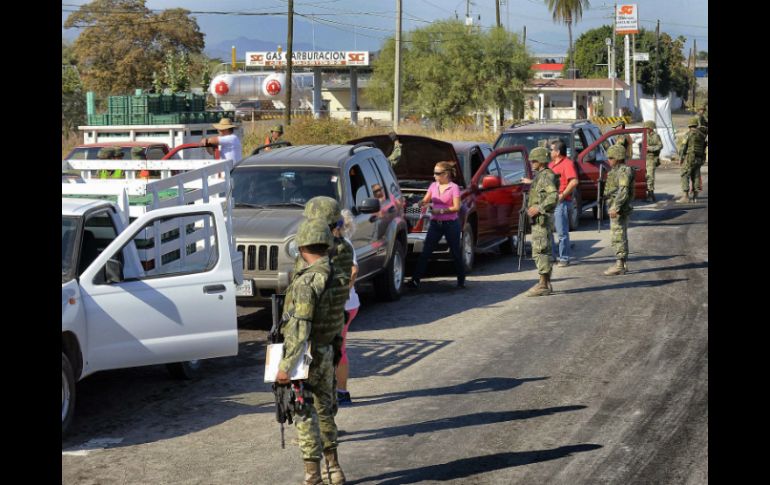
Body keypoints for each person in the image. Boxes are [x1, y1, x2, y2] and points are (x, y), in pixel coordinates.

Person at [278, 217, 346, 485]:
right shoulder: (337, 278)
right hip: (328, 352)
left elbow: (299, 328)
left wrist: (286, 366)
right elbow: (337, 320)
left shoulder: (307, 284)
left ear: (302, 246)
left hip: (306, 358)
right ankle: (335, 470)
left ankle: (313, 477)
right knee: (326, 411)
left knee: (304, 414)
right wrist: (336, 350)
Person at [299, 197, 355, 409]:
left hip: (322, 319)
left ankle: (324, 424)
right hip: (329, 317)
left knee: (321, 374)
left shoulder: (336, 248)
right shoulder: (336, 247)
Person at [407, 160, 465, 289]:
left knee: (455, 253)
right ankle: (415, 280)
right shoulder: (433, 185)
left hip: (451, 224)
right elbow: (426, 199)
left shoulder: (453, 187)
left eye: (437, 173)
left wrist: (441, 210)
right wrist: (421, 203)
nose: (434, 175)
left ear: (445, 174)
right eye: (434, 173)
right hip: (435, 224)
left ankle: (461, 280)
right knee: (425, 252)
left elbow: (457, 207)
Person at [520, 147, 559, 296]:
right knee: (543, 249)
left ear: (541, 161)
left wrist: (539, 208)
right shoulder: (542, 176)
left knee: (540, 250)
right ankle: (545, 283)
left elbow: (553, 196)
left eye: (534, 160)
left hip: (542, 220)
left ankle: (543, 284)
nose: (531, 163)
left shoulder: (545, 176)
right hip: (540, 220)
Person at [334, 209, 359, 406]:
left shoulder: (345, 245)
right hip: (343, 305)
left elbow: (353, 270)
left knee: (339, 349)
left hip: (343, 306)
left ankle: (342, 392)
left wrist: (342, 294)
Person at [603, 145, 635, 276]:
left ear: (618, 158)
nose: (609, 160)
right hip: (616, 206)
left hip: (619, 208)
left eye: (611, 158)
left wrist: (616, 207)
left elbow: (623, 190)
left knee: (618, 235)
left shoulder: (623, 171)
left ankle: (620, 265)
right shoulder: (615, 171)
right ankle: (621, 263)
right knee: (618, 234)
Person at [548, 139, 578, 267]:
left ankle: (564, 258)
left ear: (558, 152)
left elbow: (574, 181)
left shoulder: (567, 164)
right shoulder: (551, 165)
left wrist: (563, 195)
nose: (549, 152)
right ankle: (552, 256)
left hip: (561, 203)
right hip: (549, 202)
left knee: (562, 232)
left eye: (551, 149)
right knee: (548, 232)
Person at [677, 117, 707, 203]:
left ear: (689, 125)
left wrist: (681, 158)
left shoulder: (688, 134)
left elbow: (683, 147)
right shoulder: (702, 135)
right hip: (699, 158)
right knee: (696, 176)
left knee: (684, 174)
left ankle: (685, 197)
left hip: (690, 157)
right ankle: (695, 197)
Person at [643, 121, 663, 202]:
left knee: (650, 177)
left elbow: (660, 146)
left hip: (652, 159)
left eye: (647, 128)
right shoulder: (644, 135)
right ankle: (650, 194)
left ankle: (650, 194)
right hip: (644, 159)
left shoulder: (656, 136)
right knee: (645, 177)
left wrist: (650, 148)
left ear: (650, 128)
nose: (646, 129)